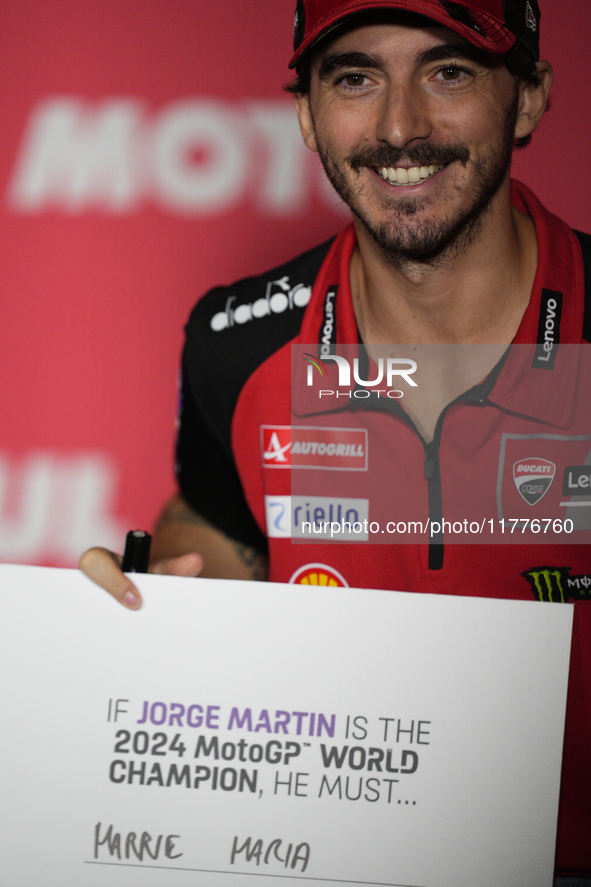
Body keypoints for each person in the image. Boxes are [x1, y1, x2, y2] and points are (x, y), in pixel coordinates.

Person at [80, 0, 590, 880]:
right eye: (355, 78)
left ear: (532, 98)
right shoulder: (234, 344)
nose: (399, 127)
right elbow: (214, 517)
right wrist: (163, 619)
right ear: (307, 117)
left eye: (449, 72)